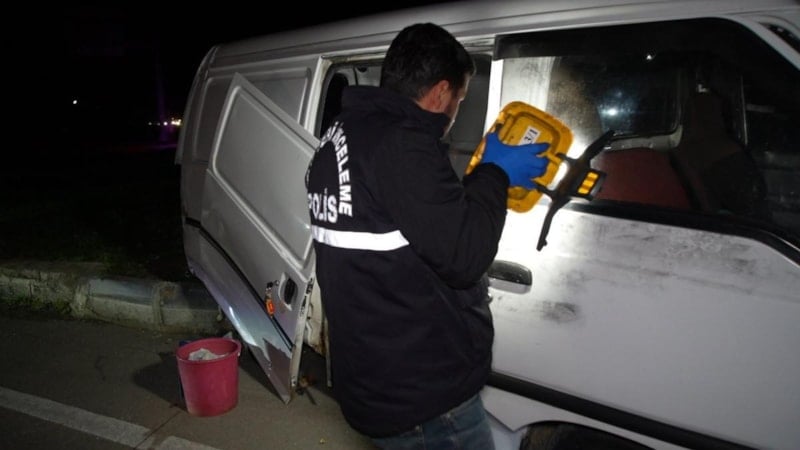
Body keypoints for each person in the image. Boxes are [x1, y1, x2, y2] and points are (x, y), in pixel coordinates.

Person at [305, 23, 550, 450]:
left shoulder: (340, 134)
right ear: (440, 93)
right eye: (460, 99)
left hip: (373, 380)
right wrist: (494, 174)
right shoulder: (402, 145)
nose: (456, 110)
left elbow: (414, 223)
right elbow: (465, 256)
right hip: (424, 401)